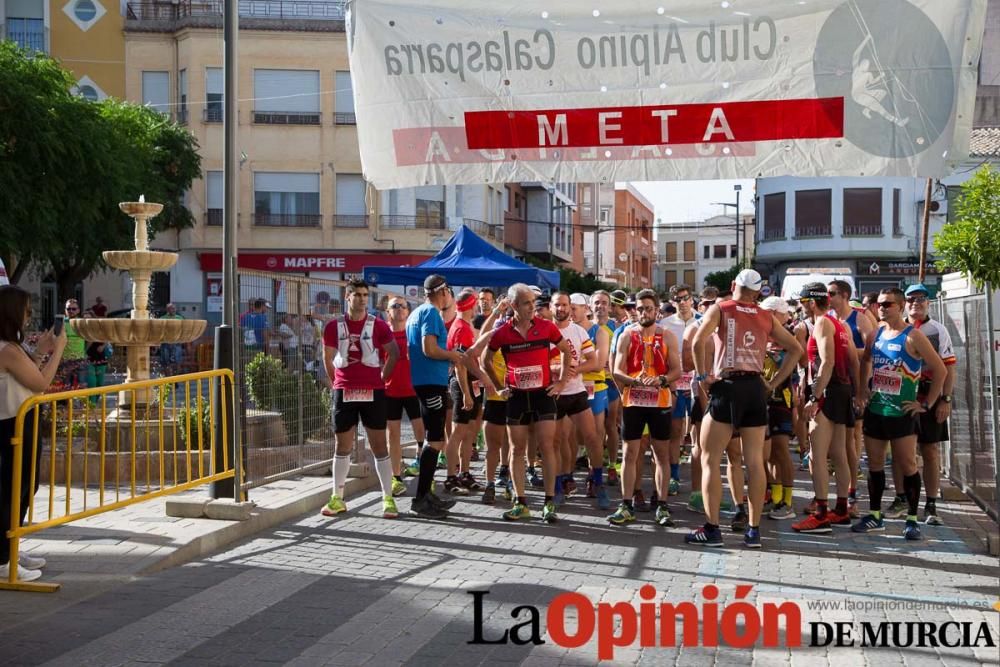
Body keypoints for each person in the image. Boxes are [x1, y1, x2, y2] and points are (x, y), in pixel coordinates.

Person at [688, 269, 803, 549]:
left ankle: (713, 528)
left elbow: (697, 341)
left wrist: (703, 377)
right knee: (754, 462)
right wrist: (773, 383)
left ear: (732, 285)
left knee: (710, 459)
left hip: (727, 385)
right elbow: (796, 349)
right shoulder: (765, 315)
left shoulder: (721, 307)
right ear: (758, 293)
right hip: (755, 389)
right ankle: (753, 531)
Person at [852, 287, 946, 541]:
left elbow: (940, 370)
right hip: (876, 409)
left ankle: (912, 519)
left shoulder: (913, 336)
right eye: (880, 304)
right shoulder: (876, 334)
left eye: (888, 304)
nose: (882, 308)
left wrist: (926, 404)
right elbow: (866, 362)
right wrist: (862, 391)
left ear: (901, 305)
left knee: (907, 465)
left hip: (902, 413)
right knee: (874, 465)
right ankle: (875, 515)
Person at [485, 283, 572, 523]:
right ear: (513, 306)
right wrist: (498, 387)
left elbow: (566, 351)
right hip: (516, 396)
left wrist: (562, 382)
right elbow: (486, 360)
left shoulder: (546, 327)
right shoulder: (502, 332)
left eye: (534, 303)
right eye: (526, 303)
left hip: (542, 395)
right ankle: (521, 502)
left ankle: (549, 502)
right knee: (517, 449)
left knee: (547, 447)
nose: (532, 307)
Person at [0, 285, 67, 582]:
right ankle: (2, 560)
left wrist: (41, 351)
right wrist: (59, 350)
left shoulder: (12, 348)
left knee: (25, 486)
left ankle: (11, 547)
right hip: (11, 424)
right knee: (12, 489)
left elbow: (30, 374)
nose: (29, 317)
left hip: (21, 419)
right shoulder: (7, 350)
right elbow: (40, 383)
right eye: (26, 311)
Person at [320, 280, 400, 520]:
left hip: (373, 391)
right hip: (344, 391)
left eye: (366, 295)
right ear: (348, 296)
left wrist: (382, 379)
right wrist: (336, 383)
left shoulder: (379, 326)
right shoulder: (333, 326)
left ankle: (388, 499)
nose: (363, 299)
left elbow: (394, 353)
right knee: (342, 446)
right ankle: (337, 498)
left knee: (379, 447)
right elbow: (328, 356)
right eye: (358, 295)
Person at [609, 289, 681, 528]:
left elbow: (676, 371)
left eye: (648, 308)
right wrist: (633, 381)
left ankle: (662, 505)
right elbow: (616, 370)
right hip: (634, 402)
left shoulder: (668, 336)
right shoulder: (627, 335)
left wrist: (661, 380)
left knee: (661, 454)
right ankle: (626, 504)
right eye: (639, 308)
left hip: (659, 401)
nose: (643, 312)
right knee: (630, 454)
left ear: (657, 310)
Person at [791, 283, 860, 534]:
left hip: (827, 392)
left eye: (801, 301)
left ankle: (820, 514)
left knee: (817, 455)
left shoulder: (821, 323)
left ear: (811, 302)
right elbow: (853, 361)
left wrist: (815, 397)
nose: (799, 306)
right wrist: (858, 392)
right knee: (839, 453)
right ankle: (841, 509)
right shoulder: (840, 324)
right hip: (841, 391)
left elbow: (827, 361)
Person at [406, 275, 465, 519]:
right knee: (436, 440)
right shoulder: (430, 313)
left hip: (426, 380)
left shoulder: (416, 312)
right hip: (430, 383)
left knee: (435, 439)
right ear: (444, 292)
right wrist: (452, 355)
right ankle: (421, 498)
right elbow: (428, 348)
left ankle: (426, 495)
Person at [899, 283, 955, 526]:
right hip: (902, 396)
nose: (916, 303)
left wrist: (945, 399)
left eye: (921, 299)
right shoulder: (897, 327)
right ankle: (901, 500)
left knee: (930, 451)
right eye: (911, 299)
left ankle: (931, 504)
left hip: (929, 396)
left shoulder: (938, 330)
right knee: (903, 452)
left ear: (929, 302)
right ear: (905, 303)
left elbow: (949, 366)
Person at [553, 292, 608, 511]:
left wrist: (572, 370)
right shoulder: (545, 331)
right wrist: (556, 371)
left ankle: (598, 483)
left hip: (576, 393)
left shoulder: (578, 331)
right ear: (552, 306)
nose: (562, 309)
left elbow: (593, 362)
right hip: (555, 394)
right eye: (557, 305)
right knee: (557, 442)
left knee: (593, 438)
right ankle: (558, 486)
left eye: (565, 305)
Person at [827, 280, 874, 517]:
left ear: (845, 295)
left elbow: (871, 349)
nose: (828, 297)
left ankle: (852, 494)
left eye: (832, 293)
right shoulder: (829, 319)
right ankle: (843, 493)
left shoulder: (860, 318)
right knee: (840, 443)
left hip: (857, 384)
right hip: (837, 385)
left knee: (852, 438)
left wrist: (844, 349)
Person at [759, 296, 798, 520]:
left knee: (781, 450)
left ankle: (788, 501)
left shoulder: (787, 335)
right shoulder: (761, 334)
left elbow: (798, 360)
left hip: (781, 399)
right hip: (761, 401)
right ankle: (775, 498)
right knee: (769, 453)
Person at [660, 284, 698, 497]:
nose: (682, 302)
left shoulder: (702, 320)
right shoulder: (664, 325)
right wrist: (670, 382)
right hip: (674, 385)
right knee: (674, 432)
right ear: (672, 302)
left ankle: (698, 485)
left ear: (692, 299)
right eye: (677, 299)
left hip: (696, 385)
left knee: (697, 437)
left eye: (685, 298)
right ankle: (674, 476)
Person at [445, 289, 485, 495]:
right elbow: (460, 364)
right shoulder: (461, 327)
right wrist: (466, 393)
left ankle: (465, 473)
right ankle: (451, 477)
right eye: (476, 302)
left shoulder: (464, 325)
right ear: (471, 304)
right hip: (463, 383)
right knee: (458, 433)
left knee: (470, 432)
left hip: (472, 382)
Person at [384, 296, 424, 497]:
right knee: (393, 435)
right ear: (387, 312)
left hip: (414, 391)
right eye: (394, 306)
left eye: (403, 306)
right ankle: (396, 477)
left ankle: (422, 466)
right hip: (390, 392)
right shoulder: (382, 335)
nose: (399, 309)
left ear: (408, 312)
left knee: (421, 431)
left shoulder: (413, 333)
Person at [56, 299, 88, 390]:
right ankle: (67, 404)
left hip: (80, 359)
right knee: (66, 387)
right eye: (68, 309)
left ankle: (83, 404)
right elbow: (55, 339)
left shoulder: (82, 323)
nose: (71, 311)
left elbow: (89, 339)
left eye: (74, 309)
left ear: (78, 310)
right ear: (65, 310)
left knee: (82, 386)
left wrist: (84, 351)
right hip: (65, 359)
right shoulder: (60, 323)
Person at [158, 303, 185, 375]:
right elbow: (158, 330)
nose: (173, 310)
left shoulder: (180, 318)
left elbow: (183, 329)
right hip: (165, 342)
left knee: (177, 362)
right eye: (171, 308)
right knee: (166, 362)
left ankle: (175, 380)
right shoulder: (162, 318)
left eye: (174, 308)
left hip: (176, 343)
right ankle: (168, 379)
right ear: (167, 310)